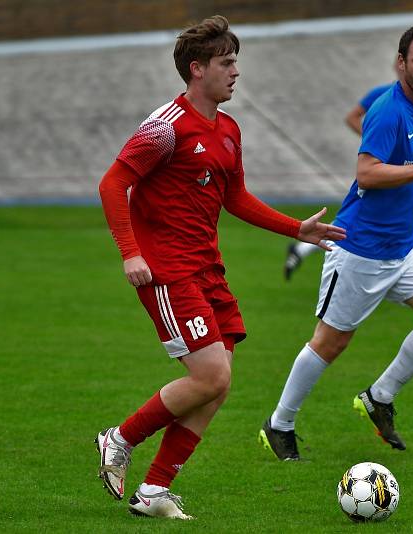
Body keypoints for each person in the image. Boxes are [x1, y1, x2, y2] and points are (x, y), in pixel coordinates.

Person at [95, 15, 345, 519]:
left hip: (208, 268)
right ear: (197, 69)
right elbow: (111, 183)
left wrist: (296, 228)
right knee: (209, 375)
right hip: (167, 270)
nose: (235, 72)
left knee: (219, 381)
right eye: (226, 63)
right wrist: (131, 252)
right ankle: (119, 438)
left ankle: (154, 492)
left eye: (236, 62)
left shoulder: (228, 129)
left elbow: (236, 198)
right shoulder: (166, 127)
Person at [260, 24, 413, 461]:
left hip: (403, 248)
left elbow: (406, 164)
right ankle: (279, 423)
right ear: (401, 62)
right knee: (330, 343)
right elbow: (368, 172)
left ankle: (379, 397)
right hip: (360, 251)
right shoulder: (388, 110)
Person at [284, 42, 413, 293]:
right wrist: (377, 143)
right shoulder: (385, 101)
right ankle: (305, 245)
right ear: (401, 64)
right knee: (369, 226)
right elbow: (355, 126)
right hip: (384, 202)